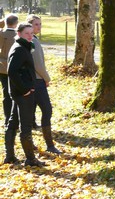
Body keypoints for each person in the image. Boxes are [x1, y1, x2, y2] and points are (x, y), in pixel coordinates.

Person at [5, 23, 45, 166]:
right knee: (25, 125)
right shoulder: (19, 49)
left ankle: (9, 156)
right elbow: (12, 71)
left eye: (31, 33)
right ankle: (30, 159)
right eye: (27, 33)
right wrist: (25, 89)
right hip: (22, 94)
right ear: (19, 33)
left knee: (13, 122)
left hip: (19, 93)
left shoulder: (22, 46)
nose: (30, 36)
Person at [27, 15, 61, 154]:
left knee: (31, 112)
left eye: (40, 24)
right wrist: (47, 78)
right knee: (46, 110)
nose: (39, 27)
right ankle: (49, 144)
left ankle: (32, 144)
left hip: (34, 81)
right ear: (29, 26)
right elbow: (38, 64)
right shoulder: (32, 41)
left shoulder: (33, 40)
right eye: (36, 24)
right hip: (38, 81)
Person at [0, 14, 19, 126]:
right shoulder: (18, 35)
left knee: (6, 93)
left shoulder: (1, 33)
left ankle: (8, 118)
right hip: (15, 68)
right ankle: (15, 117)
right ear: (16, 23)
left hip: (2, 67)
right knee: (15, 94)